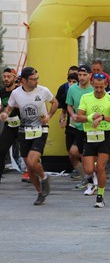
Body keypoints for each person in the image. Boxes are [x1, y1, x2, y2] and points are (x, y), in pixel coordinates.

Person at [0, 67, 58, 205]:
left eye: (37, 78)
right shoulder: (16, 93)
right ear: (24, 80)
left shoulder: (43, 90)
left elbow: (55, 102)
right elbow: (9, 107)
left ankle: (44, 178)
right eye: (33, 79)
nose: (36, 81)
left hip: (40, 129)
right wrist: (5, 114)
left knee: (33, 161)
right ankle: (40, 193)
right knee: (29, 167)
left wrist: (49, 116)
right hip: (24, 130)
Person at [76, 73, 110, 207]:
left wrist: (102, 117)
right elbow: (79, 116)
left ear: (106, 85)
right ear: (92, 85)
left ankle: (100, 197)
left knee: (100, 167)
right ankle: (93, 181)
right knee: (89, 169)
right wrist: (91, 118)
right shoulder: (86, 97)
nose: (99, 90)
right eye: (96, 87)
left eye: (101, 87)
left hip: (104, 135)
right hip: (89, 135)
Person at [66, 64, 95, 194]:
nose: (82, 77)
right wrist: (72, 115)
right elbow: (69, 105)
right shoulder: (72, 89)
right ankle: (88, 178)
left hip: (92, 127)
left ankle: (92, 178)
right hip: (78, 126)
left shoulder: (94, 89)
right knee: (78, 153)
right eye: (80, 75)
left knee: (90, 155)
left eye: (84, 75)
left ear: (90, 75)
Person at [0, 68, 20, 182]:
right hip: (10, 125)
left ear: (15, 78)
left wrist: (14, 106)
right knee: (1, 150)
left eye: (9, 76)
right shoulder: (2, 92)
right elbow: (2, 107)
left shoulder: (20, 91)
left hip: (22, 125)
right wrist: (2, 112)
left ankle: (33, 174)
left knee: (28, 153)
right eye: (4, 76)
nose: (6, 79)